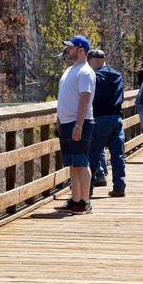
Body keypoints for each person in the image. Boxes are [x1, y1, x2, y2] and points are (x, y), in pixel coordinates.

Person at [55, 35, 96, 214]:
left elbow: (85, 98)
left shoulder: (85, 71)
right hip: (66, 122)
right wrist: (59, 120)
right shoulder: (70, 70)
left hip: (79, 122)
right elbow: (64, 98)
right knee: (73, 163)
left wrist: (79, 125)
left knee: (81, 161)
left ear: (81, 50)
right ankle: (75, 199)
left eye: (71, 48)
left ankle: (85, 202)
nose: (67, 51)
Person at [87, 49, 126, 197]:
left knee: (93, 155)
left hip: (100, 119)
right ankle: (119, 187)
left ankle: (87, 189)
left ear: (91, 60)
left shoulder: (94, 76)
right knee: (118, 155)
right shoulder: (117, 75)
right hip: (116, 118)